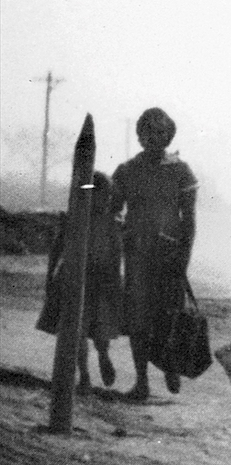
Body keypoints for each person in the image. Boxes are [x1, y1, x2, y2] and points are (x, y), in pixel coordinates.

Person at [111, 108, 198, 401]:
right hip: (137, 255)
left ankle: (170, 365)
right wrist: (122, 230)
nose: (154, 138)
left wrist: (183, 257)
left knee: (168, 315)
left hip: (170, 256)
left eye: (161, 132)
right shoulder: (125, 171)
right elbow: (112, 209)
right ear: (139, 136)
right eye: (148, 132)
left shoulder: (181, 171)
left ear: (169, 135)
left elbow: (190, 219)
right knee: (138, 319)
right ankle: (141, 382)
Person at [36, 171, 122, 392]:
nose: (104, 201)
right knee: (77, 331)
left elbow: (115, 254)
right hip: (74, 277)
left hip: (101, 281)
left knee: (101, 330)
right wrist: (50, 276)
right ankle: (84, 375)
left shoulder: (112, 222)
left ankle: (103, 355)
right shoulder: (75, 218)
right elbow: (57, 248)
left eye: (107, 196)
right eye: (99, 196)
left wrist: (115, 284)